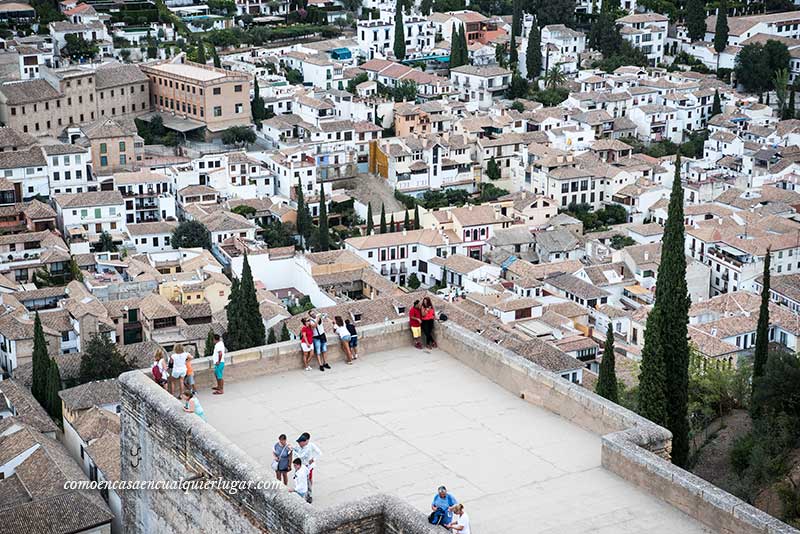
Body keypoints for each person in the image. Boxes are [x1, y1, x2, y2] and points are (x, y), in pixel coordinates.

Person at [294, 432, 322, 503]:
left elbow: (319, 452)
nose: (299, 444)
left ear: (305, 441)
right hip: (300, 466)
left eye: (300, 442)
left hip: (307, 467)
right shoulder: (299, 447)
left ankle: (309, 495)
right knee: (299, 478)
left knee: (308, 481)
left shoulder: (310, 446)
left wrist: (313, 459)